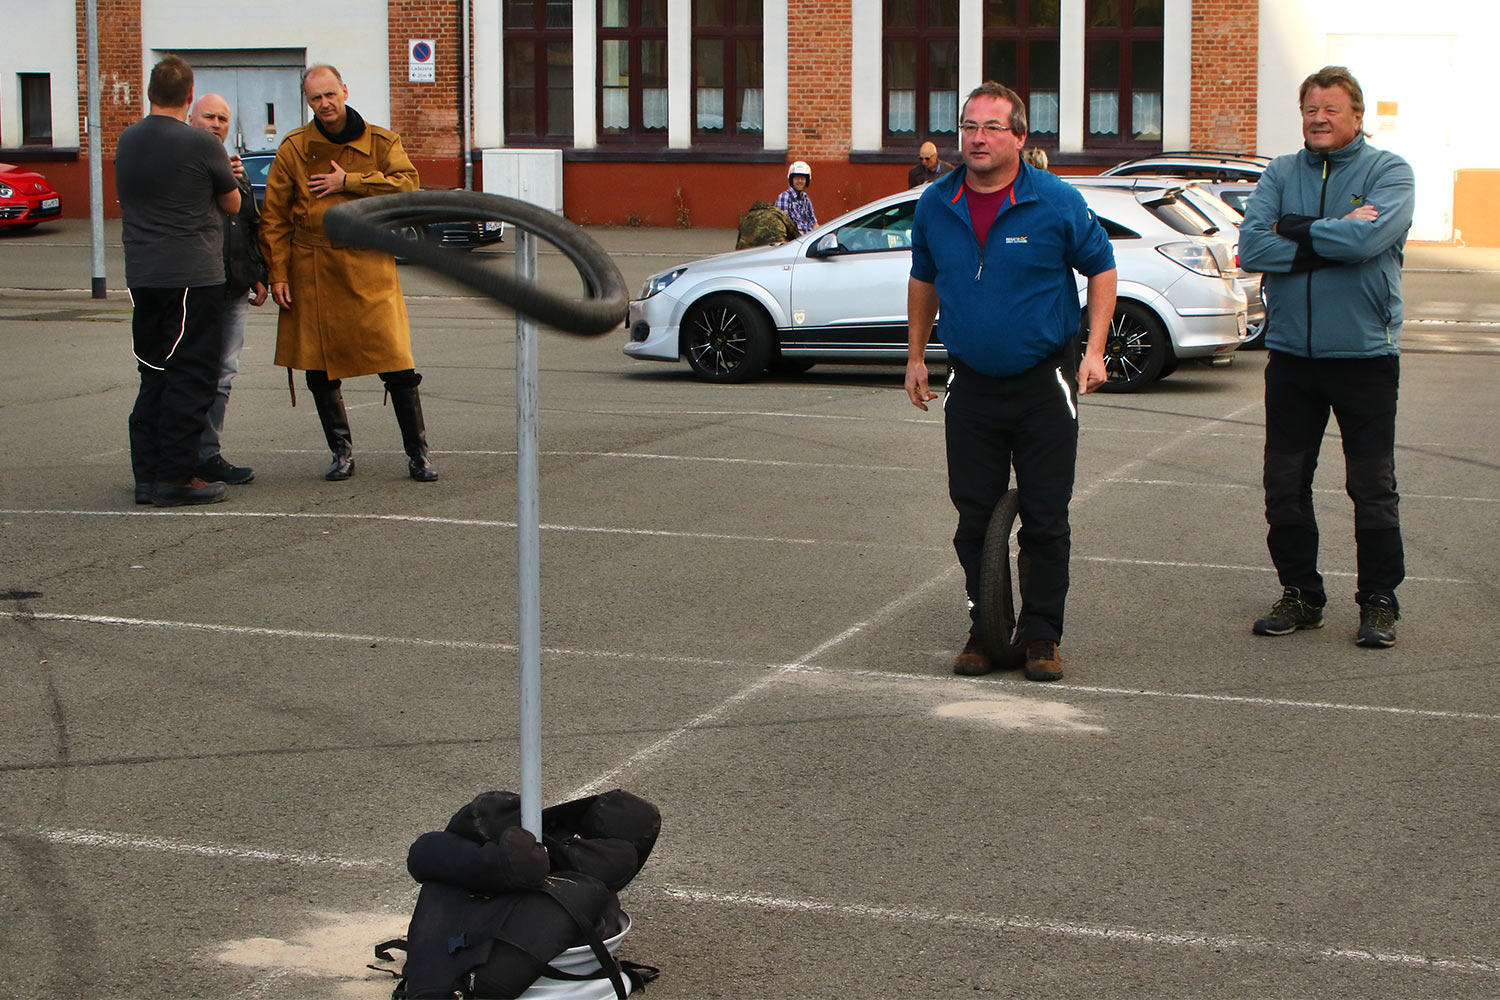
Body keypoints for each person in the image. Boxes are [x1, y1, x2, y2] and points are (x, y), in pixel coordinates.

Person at [905, 81, 1117, 682]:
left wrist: (1094, 350)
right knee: (973, 517)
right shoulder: (935, 203)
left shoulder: (1055, 201)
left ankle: (1042, 636)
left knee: (1047, 517)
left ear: (1020, 138)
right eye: (969, 126)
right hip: (970, 383)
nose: (977, 137)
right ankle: (985, 627)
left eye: (993, 127)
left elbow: (1102, 268)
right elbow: (924, 280)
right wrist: (917, 357)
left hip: (1043, 381)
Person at [1238, 65, 1415, 648]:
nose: (1318, 118)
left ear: (1357, 117)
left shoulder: (1389, 172)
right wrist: (1332, 233)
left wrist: (1296, 229)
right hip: (1292, 356)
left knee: (1372, 485)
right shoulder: (1282, 171)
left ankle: (1379, 601)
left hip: (1365, 355)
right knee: (1284, 483)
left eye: (1331, 108)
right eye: (1310, 108)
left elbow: (1369, 240)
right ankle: (1301, 594)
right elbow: (1252, 247)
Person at [258, 63, 436, 483]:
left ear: (344, 91)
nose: (324, 104)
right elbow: (274, 218)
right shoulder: (294, 149)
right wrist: (277, 273)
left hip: (368, 267)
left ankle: (419, 454)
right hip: (312, 269)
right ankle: (341, 452)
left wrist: (350, 181)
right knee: (319, 368)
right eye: (315, 98)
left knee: (396, 362)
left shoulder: (380, 141)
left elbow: (408, 185)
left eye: (330, 95)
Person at [114, 55, 241, 507]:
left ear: (151, 92)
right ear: (190, 97)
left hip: (143, 275)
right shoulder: (201, 144)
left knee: (153, 371)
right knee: (191, 376)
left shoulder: (127, 141)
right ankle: (176, 476)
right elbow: (232, 204)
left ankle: (146, 476)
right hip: (192, 275)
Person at [188, 93, 269, 487]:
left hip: (234, 287)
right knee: (192, 372)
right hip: (198, 286)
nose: (217, 124)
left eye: (223, 118)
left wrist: (256, 272)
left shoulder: (233, 167)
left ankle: (208, 454)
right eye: (209, 116)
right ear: (191, 117)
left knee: (224, 373)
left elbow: (248, 222)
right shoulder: (185, 163)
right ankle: (185, 457)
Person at [735, 199, 799, 249]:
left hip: (748, 252)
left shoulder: (746, 217)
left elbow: (740, 239)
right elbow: (795, 235)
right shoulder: (777, 213)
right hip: (776, 249)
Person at [774, 160, 818, 235]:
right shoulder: (784, 197)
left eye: (803, 178)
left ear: (807, 181)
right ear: (791, 180)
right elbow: (782, 226)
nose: (800, 181)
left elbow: (813, 224)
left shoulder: (806, 198)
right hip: (794, 242)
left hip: (807, 239)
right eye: (797, 178)